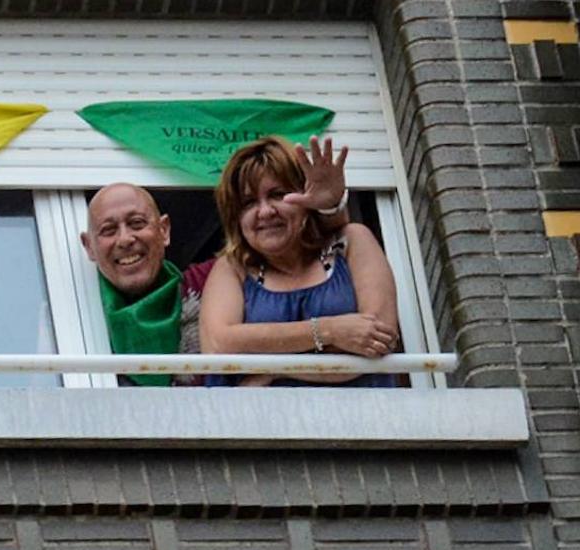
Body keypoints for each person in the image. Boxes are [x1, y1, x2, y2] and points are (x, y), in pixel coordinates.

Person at [81, 136, 351, 386]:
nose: (125, 239)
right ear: (89, 246)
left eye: (137, 223)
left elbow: (297, 251)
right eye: (108, 230)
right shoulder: (75, 317)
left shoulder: (214, 279)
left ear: (164, 230)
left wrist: (329, 209)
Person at [199, 136, 398, 387]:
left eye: (278, 195)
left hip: (359, 420)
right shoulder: (233, 268)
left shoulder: (351, 241)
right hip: (261, 424)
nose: (265, 211)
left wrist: (271, 372)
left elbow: (377, 340)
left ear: (307, 197)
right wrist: (330, 330)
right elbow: (219, 346)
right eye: (249, 203)